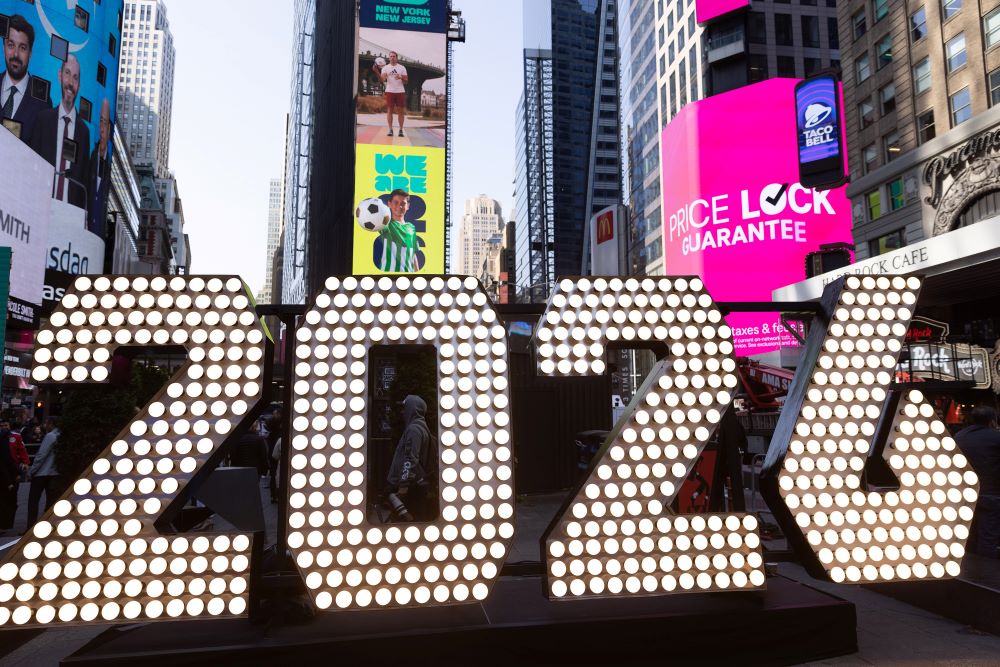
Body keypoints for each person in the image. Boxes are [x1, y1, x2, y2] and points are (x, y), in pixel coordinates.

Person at [29, 55, 91, 209]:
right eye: (67, 73)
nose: (70, 82)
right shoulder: (43, 120)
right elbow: (31, 167)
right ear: (59, 75)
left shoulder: (84, 133)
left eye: (75, 78)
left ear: (79, 85)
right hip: (39, 207)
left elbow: (85, 182)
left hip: (69, 217)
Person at [956, 406, 1000, 558]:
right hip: (990, 493)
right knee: (988, 537)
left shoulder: (960, 436)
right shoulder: (996, 438)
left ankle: (968, 574)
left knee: (968, 537)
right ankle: (985, 575)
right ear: (992, 420)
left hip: (964, 494)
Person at [385, 395, 435, 521]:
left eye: (404, 408)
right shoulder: (421, 428)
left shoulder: (414, 430)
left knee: (406, 525)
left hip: (410, 490)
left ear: (413, 409)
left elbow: (410, 458)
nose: (402, 412)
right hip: (415, 486)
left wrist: (403, 486)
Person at [0, 15, 48, 141]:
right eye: (11, 45)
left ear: (30, 53)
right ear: (3, 47)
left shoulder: (43, 103)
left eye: (22, 48)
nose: (15, 54)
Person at [376, 189, 421, 272]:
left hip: (408, 278)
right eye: (396, 202)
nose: (399, 206)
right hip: (388, 276)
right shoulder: (386, 223)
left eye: (403, 203)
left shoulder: (411, 228)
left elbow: (413, 253)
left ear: (408, 206)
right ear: (389, 204)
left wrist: (417, 274)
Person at [26, 418, 59, 528]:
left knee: (33, 501)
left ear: (51, 424)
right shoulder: (61, 435)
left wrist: (32, 471)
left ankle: (30, 526)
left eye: (46, 423)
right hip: (54, 473)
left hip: (41, 473)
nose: (45, 425)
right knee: (50, 500)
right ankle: (49, 524)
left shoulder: (50, 436)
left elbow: (41, 455)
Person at [88, 99, 111, 236]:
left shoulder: (110, 167)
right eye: (100, 122)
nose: (102, 129)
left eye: (106, 123)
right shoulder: (89, 156)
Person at [377, 51, 408, 138]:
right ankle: (390, 129)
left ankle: (401, 130)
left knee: (400, 111)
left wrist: (401, 77)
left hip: (400, 91)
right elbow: (382, 79)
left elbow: (406, 81)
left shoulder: (402, 68)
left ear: (396, 58)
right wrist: (376, 71)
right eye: (391, 56)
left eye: (394, 56)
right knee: (389, 110)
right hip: (390, 91)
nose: (392, 58)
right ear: (389, 58)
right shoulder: (385, 68)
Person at [265, 408, 283, 503]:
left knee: (274, 476)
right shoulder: (282, 434)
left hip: (274, 458)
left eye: (274, 413)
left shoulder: (272, 435)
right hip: (277, 458)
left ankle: (274, 495)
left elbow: (273, 455)